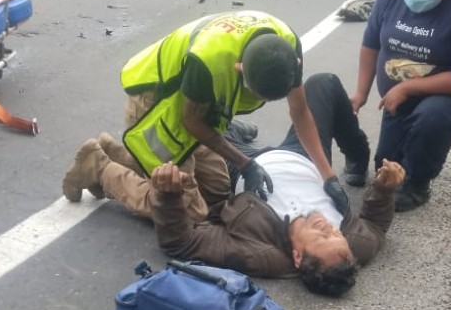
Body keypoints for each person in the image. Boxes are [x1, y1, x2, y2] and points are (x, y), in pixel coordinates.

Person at [62, 10, 349, 219]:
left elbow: (300, 111)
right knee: (188, 212)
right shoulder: (209, 62)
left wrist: (328, 177)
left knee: (218, 192)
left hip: (194, 104)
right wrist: (245, 163)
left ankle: (113, 153)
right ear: (239, 68)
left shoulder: (284, 49)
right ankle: (98, 166)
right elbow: (190, 121)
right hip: (158, 104)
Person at [147, 73, 405, 297]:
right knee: (323, 82)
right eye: (336, 234)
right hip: (304, 157)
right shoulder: (356, 245)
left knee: (194, 124)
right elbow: (375, 227)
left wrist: (168, 198)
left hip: (247, 168)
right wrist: (384, 188)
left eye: (322, 236)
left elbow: (181, 244)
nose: (329, 228)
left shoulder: (258, 254)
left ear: (297, 256)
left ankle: (234, 132)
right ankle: (357, 156)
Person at [349, 0, 451, 212]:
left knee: (432, 118)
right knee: (385, 167)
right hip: (403, 94)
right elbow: (371, 43)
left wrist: (407, 88)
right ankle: (414, 151)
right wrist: (360, 93)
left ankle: (418, 185)